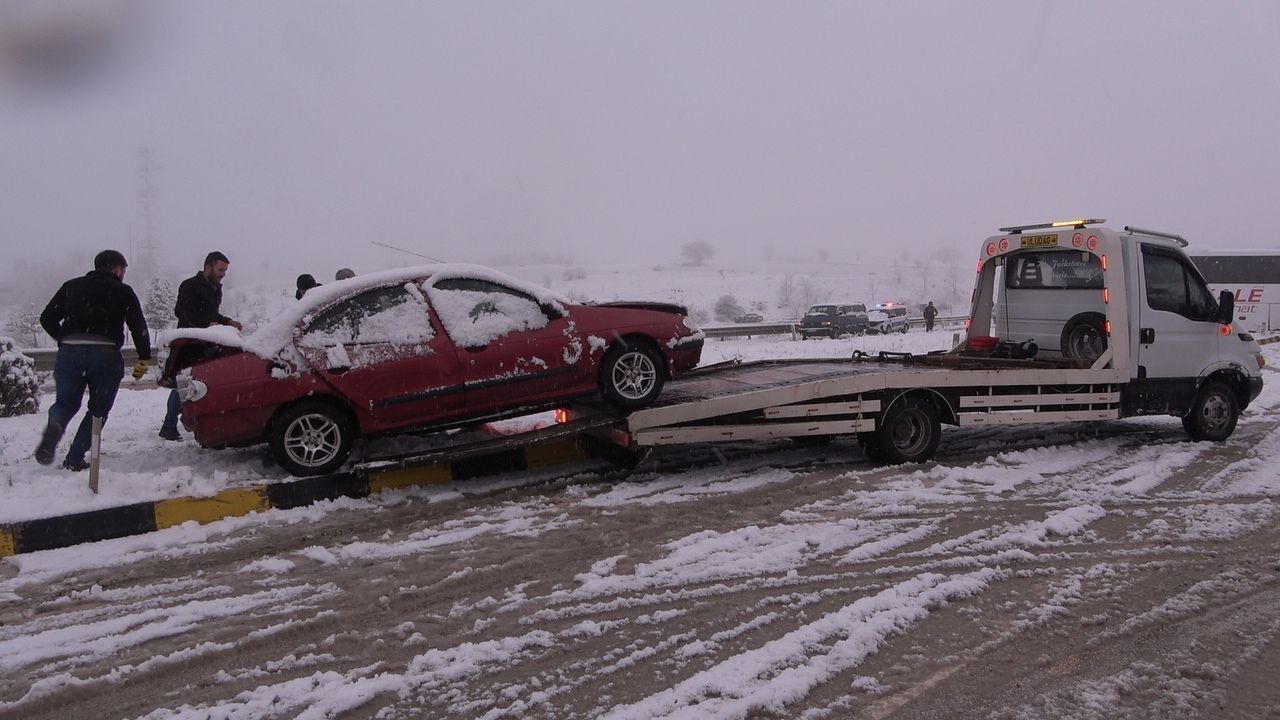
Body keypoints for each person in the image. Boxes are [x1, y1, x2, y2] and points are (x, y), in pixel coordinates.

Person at [34, 250, 152, 470]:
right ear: (117, 268)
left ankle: (55, 426)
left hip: (70, 352)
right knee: (98, 410)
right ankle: (76, 457)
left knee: (65, 403)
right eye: (123, 269)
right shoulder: (122, 291)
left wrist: (64, 338)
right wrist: (144, 356)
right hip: (105, 355)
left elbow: (46, 317)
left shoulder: (72, 286)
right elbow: (138, 325)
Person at [159, 251, 243, 440]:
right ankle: (170, 424)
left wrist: (227, 321)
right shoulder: (189, 285)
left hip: (206, 342)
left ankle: (191, 420)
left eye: (225, 270)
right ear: (208, 267)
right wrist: (204, 326)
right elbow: (182, 311)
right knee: (184, 385)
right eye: (221, 269)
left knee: (200, 385)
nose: (223, 274)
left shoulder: (215, 288)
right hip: (189, 343)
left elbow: (212, 314)